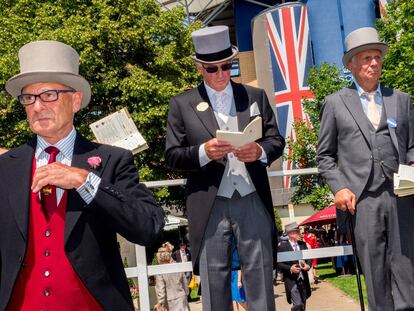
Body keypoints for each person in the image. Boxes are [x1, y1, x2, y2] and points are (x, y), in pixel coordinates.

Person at [0, 40, 165, 310]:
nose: (38, 106)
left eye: (49, 95)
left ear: (75, 100)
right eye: (29, 98)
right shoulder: (6, 166)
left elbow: (148, 228)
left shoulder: (112, 160)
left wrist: (85, 181)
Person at [165, 25, 285, 311]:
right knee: (214, 282)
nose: (220, 74)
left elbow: (276, 140)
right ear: (199, 68)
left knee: (260, 280)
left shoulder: (254, 96)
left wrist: (259, 151)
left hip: (252, 197)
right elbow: (172, 155)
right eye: (212, 69)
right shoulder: (182, 104)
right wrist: (203, 152)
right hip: (209, 202)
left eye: (225, 66)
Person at [317, 27, 414, 310]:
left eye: (377, 58)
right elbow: (325, 156)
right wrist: (340, 187)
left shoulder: (401, 99)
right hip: (361, 200)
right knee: (374, 269)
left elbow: (411, 145)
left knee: (407, 266)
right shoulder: (334, 103)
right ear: (351, 64)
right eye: (366, 58)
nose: (374, 63)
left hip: (402, 195)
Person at [278, 222, 312, 311]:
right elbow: (279, 264)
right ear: (291, 234)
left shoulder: (302, 244)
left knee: (303, 305)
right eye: (297, 232)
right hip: (291, 281)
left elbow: (309, 258)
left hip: (303, 280)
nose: (299, 234)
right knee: (298, 305)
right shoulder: (282, 247)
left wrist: (308, 265)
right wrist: (290, 268)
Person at [154, 244, 190, 311]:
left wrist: (161, 302)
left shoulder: (160, 270)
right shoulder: (177, 266)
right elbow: (184, 282)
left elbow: (161, 289)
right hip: (181, 297)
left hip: (170, 301)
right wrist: (186, 293)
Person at [231, 242, 247, 311]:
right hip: (230, 275)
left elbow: (238, 265)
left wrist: (239, 281)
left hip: (236, 275)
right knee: (233, 299)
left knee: (239, 298)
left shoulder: (235, 248)